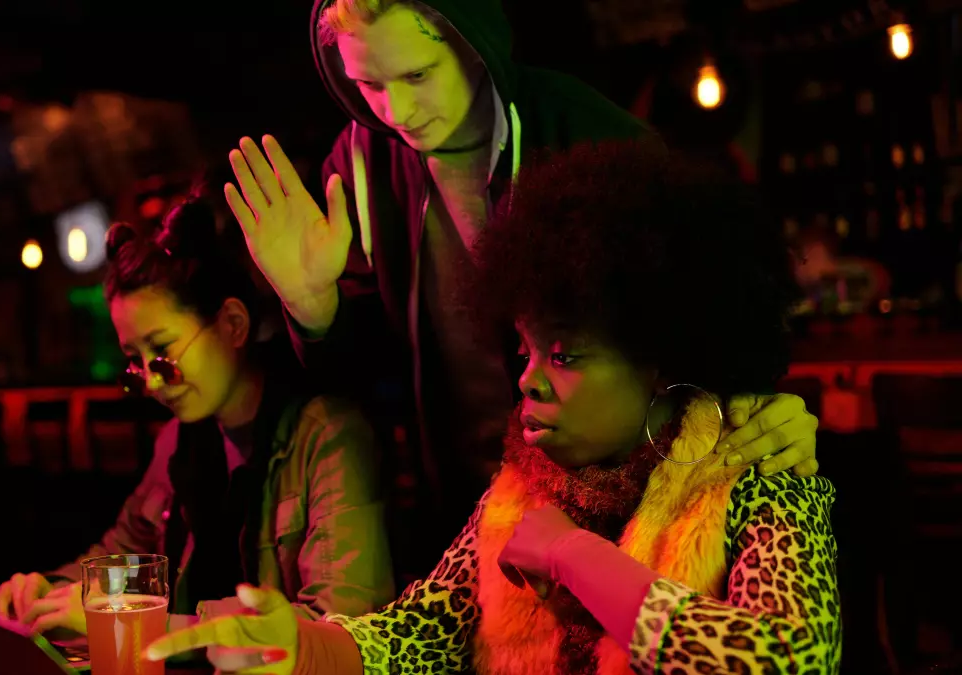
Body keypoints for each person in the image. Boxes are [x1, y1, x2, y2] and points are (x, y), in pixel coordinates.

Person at [144, 141, 842, 674]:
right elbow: (417, 634)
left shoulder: (761, 470)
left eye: (564, 356)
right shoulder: (523, 482)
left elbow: (789, 658)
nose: (530, 383)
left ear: (657, 362)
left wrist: (576, 558)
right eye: (525, 352)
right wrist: (300, 645)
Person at [222, 0, 820, 558]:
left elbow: (709, 318)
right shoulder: (358, 164)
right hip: (459, 518)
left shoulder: (590, 133)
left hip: (618, 514)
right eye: (369, 85)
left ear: (473, 42)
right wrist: (313, 307)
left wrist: (752, 405)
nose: (395, 112)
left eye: (418, 76)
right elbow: (367, 382)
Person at [0, 193, 395, 635]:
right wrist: (42, 592)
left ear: (233, 324)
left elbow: (340, 629)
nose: (152, 381)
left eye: (162, 353)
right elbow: (119, 558)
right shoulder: (182, 442)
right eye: (135, 364)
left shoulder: (328, 434)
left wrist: (137, 624)